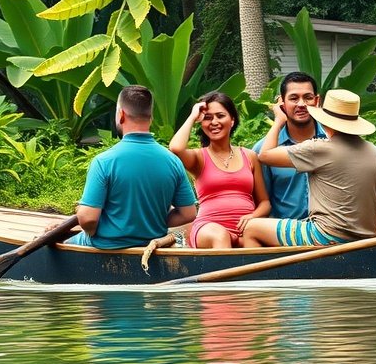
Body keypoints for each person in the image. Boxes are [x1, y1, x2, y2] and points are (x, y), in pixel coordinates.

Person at [240, 89, 376, 247]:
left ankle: (270, 273)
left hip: (323, 235)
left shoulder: (319, 149)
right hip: (364, 239)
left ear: (325, 121)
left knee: (251, 229)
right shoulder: (374, 152)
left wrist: (279, 121)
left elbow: (264, 155)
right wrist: (363, 233)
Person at [71, 85, 198, 250]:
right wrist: (152, 220)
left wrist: (89, 224)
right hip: (151, 244)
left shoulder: (104, 161)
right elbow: (188, 213)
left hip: (107, 245)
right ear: (150, 118)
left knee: (59, 245)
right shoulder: (172, 161)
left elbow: (88, 219)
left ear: (121, 114)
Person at [169, 91, 271, 248]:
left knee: (254, 245)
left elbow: (264, 203)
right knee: (220, 235)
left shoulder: (250, 156)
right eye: (208, 118)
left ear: (232, 120)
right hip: (209, 228)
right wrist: (192, 116)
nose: (214, 122)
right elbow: (176, 148)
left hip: (245, 229)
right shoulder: (199, 157)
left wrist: (252, 216)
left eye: (220, 116)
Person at [252, 71, 326, 219]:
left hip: (329, 233)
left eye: (308, 97)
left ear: (317, 101)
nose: (301, 104)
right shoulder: (263, 150)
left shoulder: (332, 142)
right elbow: (261, 202)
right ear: (281, 103)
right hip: (283, 235)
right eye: (294, 98)